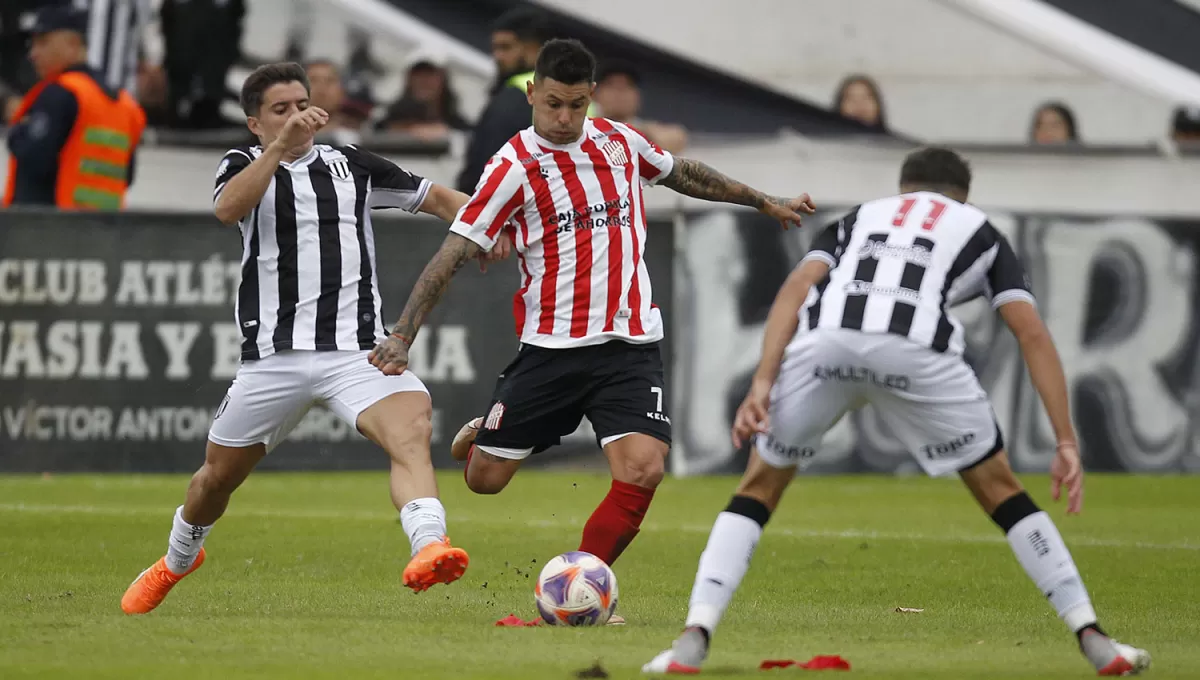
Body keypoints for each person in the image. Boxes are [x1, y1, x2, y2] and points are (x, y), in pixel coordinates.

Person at [642, 147, 1151, 676]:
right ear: (962, 196)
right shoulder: (980, 229)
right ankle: (1092, 636)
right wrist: (1066, 441)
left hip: (828, 343)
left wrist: (762, 383)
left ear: (904, 187)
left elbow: (796, 291)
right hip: (915, 349)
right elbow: (1031, 334)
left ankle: (693, 636)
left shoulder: (859, 217)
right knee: (1003, 493)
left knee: (758, 488)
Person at [369, 38, 815, 619]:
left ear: (592, 98)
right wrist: (402, 335)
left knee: (644, 469)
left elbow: (685, 174)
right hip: (551, 350)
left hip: (630, 345)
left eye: (577, 105)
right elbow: (453, 252)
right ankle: (489, 435)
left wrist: (763, 200)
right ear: (532, 93)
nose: (564, 118)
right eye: (553, 103)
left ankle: (579, 585)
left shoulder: (620, 142)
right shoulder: (512, 166)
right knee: (485, 480)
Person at [118, 62, 509, 615]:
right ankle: (178, 560)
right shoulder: (243, 164)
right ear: (254, 123)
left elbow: (441, 199)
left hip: (356, 352)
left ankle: (430, 547)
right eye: (281, 109)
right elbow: (228, 209)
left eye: (302, 104)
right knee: (213, 482)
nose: (297, 116)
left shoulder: (351, 164)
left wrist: (490, 229)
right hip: (272, 360)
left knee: (412, 427)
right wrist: (279, 148)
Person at [3, 5, 145, 209]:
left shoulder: (60, 94)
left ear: (73, 43)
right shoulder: (123, 103)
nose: (33, 54)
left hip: (49, 230)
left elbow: (32, 156)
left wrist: (18, 129)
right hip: (104, 232)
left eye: (43, 43)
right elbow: (126, 176)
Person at [453, 8, 549, 192]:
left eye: (505, 47)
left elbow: (489, 163)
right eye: (495, 48)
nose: (497, 56)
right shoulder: (572, 91)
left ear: (533, 49)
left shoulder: (518, 95)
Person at [593, 60, 687, 155]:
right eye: (611, 85)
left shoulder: (647, 130)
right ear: (595, 94)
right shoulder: (585, 127)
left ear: (637, 96)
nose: (619, 92)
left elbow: (676, 137)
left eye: (627, 86)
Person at [379, 56, 470, 141]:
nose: (424, 81)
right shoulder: (391, 117)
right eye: (418, 75)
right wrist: (409, 130)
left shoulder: (457, 123)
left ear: (443, 80)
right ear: (408, 79)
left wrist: (446, 131)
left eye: (430, 74)